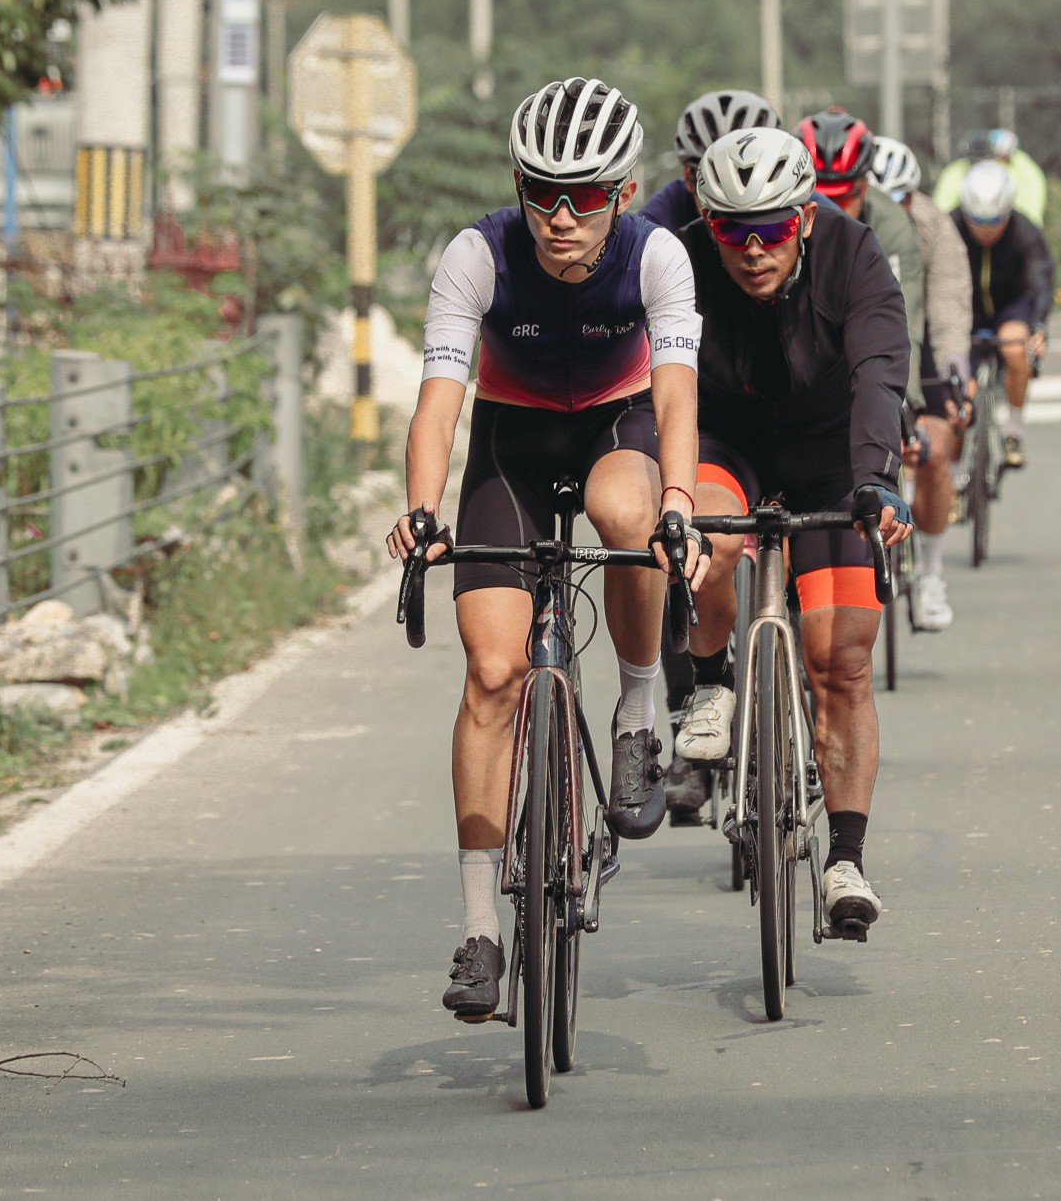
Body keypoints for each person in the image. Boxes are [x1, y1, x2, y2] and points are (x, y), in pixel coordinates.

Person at [387, 77, 707, 1021]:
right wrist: (420, 510)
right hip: (512, 446)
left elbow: (677, 396)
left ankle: (638, 708)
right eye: (541, 192)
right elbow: (438, 404)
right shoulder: (476, 255)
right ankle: (481, 928)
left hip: (617, 427)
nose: (560, 217)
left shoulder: (657, 255)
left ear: (625, 190)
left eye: (586, 195)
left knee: (625, 510)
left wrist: (679, 504)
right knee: (493, 672)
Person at [669, 127, 913, 937]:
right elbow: (653, 378)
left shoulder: (854, 255)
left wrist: (876, 477)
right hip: (722, 439)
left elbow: (879, 370)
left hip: (831, 452)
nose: (752, 250)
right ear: (707, 221)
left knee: (841, 661)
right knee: (707, 541)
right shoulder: (681, 259)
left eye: (771, 229)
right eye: (732, 230)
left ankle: (845, 858)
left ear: (804, 218)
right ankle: (711, 678)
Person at [869, 134, 970, 629]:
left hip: (922, 337)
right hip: (864, 339)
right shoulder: (845, 220)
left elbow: (948, 303)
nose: (895, 211)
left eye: (902, 200)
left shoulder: (934, 225)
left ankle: (931, 573)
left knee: (934, 447)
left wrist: (953, 366)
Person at [952, 158, 1054, 471]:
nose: (986, 231)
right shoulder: (949, 227)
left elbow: (1041, 279)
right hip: (965, 308)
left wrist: (1039, 325)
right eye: (976, 222)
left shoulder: (1025, 230)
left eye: (995, 222)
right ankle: (956, 472)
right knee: (958, 390)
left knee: (1014, 347)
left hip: (1011, 304)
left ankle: (1013, 429)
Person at [638, 88, 780, 233]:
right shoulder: (657, 220)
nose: (733, 214)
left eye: (746, 180)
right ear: (688, 178)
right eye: (717, 191)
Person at [932, 128, 1047, 227]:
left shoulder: (1022, 171)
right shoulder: (957, 171)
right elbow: (944, 203)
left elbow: (1031, 200)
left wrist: (1027, 227)